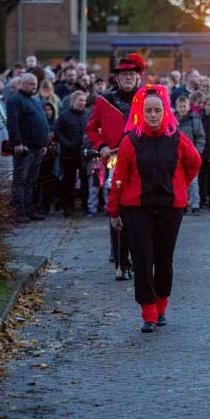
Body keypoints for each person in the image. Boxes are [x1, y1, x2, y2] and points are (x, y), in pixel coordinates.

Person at [107, 84, 202, 333]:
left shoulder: (178, 139)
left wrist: (181, 186)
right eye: (148, 110)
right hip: (137, 208)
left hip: (170, 208)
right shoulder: (131, 142)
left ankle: (161, 308)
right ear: (141, 112)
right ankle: (148, 313)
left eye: (157, 110)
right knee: (142, 260)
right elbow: (119, 176)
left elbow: (194, 163)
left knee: (164, 261)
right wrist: (114, 211)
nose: (152, 115)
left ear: (165, 112)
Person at [85, 53, 144, 280]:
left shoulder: (147, 99)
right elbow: (91, 130)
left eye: (131, 74)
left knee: (139, 212)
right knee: (117, 211)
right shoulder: (104, 101)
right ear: (117, 79)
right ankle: (120, 261)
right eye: (123, 75)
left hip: (142, 162)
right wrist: (100, 147)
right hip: (116, 162)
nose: (128, 78)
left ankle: (140, 259)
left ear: (138, 77)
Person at [6, 74, 50, 222]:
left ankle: (29, 209)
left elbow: (42, 122)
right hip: (25, 148)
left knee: (31, 181)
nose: (34, 87)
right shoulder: (15, 100)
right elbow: (13, 123)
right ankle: (18, 211)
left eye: (35, 84)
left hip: (37, 148)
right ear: (22, 84)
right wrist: (17, 142)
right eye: (31, 84)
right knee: (21, 180)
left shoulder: (35, 100)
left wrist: (44, 144)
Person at [55, 91, 89, 216]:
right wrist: (67, 144)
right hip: (68, 153)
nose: (82, 103)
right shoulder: (64, 116)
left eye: (84, 100)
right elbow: (58, 132)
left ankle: (85, 205)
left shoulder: (88, 114)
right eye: (80, 100)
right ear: (73, 101)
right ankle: (67, 206)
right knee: (68, 180)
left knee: (85, 179)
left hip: (84, 154)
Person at [175, 94, 206, 214]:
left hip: (191, 155)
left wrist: (197, 152)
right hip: (176, 156)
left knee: (193, 181)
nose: (182, 108)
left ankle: (195, 204)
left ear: (189, 107)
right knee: (179, 181)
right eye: (180, 106)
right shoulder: (173, 120)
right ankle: (182, 203)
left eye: (184, 106)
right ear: (176, 107)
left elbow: (200, 137)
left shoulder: (195, 120)